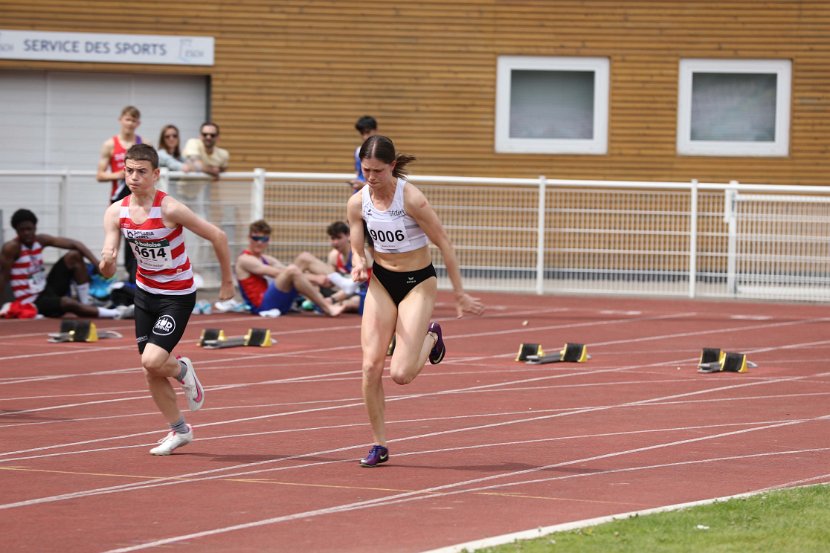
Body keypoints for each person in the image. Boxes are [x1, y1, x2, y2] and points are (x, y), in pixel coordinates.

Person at [347, 135, 484, 467]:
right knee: (369, 367)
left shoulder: (412, 199)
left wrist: (459, 292)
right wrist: (357, 259)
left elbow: (445, 242)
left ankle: (432, 336)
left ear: (392, 166)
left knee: (402, 374)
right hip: (381, 282)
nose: (372, 177)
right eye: (366, 170)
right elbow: (356, 237)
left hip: (417, 282)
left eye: (378, 171)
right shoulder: (358, 201)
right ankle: (379, 443)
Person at [99, 143, 234, 456]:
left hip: (177, 295)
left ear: (156, 174)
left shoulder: (170, 208)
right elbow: (107, 267)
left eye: (142, 172)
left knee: (153, 360)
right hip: (145, 294)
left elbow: (218, 236)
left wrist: (228, 282)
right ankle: (180, 431)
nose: (134, 177)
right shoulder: (116, 212)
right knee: (150, 370)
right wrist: (107, 260)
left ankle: (184, 371)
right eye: (129, 171)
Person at [0, 208, 127, 319]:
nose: (26, 233)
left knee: (74, 255)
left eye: (29, 229)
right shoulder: (12, 248)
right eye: (22, 230)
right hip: (31, 301)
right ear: (16, 231)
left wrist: (97, 264)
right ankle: (116, 313)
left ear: (35, 228)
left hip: (45, 289)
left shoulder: (40, 240)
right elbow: (3, 277)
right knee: (68, 302)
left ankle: (86, 304)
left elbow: (76, 244)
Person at [235, 220, 346, 318]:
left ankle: (343, 283)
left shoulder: (266, 258)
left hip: (278, 302)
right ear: (249, 237)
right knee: (293, 270)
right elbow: (276, 273)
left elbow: (285, 269)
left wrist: (311, 275)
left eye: (264, 239)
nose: (260, 242)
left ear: (268, 240)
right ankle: (326, 306)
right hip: (263, 306)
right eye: (256, 238)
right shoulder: (244, 259)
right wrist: (315, 278)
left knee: (304, 257)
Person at [96, 105, 143, 283]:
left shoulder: (142, 143)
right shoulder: (110, 144)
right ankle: (109, 278)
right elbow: (99, 175)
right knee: (113, 240)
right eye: (127, 119)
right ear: (121, 120)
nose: (130, 123)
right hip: (118, 197)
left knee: (136, 240)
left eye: (133, 120)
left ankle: (134, 281)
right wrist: (120, 174)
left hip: (138, 197)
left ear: (138, 123)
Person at [348, 115, 378, 193]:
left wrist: (364, 185)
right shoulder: (358, 150)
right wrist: (356, 182)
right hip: (360, 192)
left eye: (367, 132)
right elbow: (358, 173)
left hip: (376, 194)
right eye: (362, 133)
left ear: (375, 130)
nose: (365, 136)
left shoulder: (382, 151)